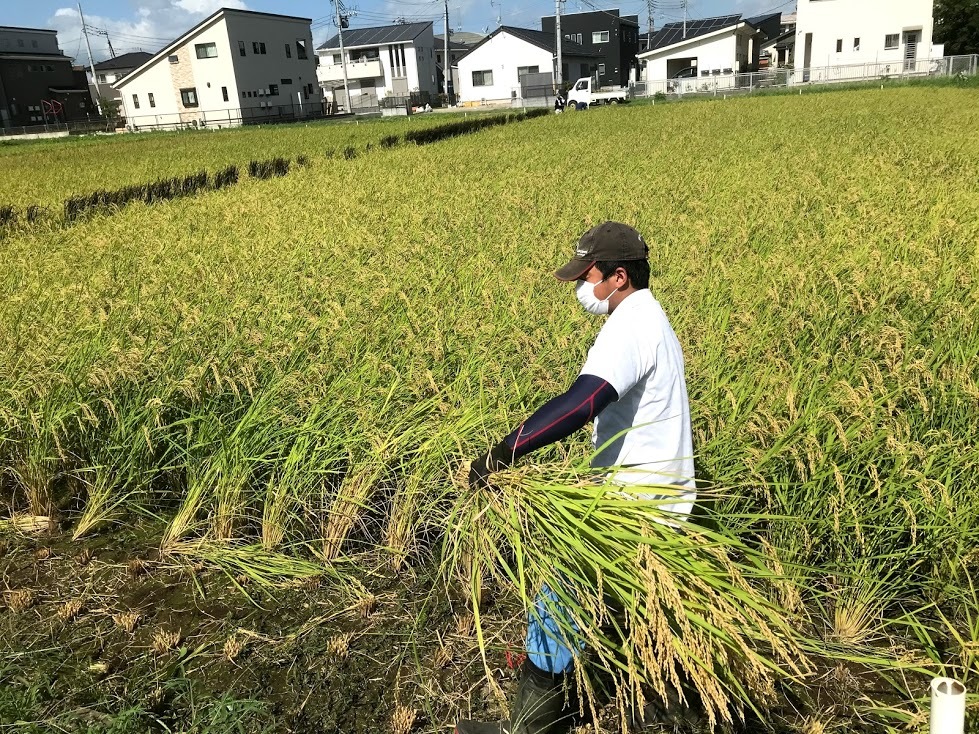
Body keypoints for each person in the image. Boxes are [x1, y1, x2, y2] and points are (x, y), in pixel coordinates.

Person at [454, 222, 696, 734]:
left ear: (619, 276)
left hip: (633, 507)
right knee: (610, 610)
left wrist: (504, 452)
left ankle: (528, 728)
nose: (583, 288)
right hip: (654, 499)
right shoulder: (650, 318)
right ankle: (643, 696)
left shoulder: (631, 326)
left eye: (589, 276)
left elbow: (583, 401)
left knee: (555, 603)